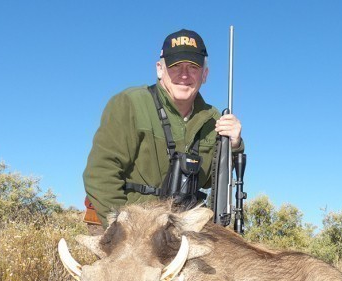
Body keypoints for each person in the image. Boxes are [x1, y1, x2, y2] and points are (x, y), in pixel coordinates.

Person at [83, 29, 244, 229]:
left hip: (178, 228)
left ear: (205, 74)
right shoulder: (129, 103)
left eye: (193, 67)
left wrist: (234, 144)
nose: (184, 75)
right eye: (175, 66)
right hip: (128, 224)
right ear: (160, 69)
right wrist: (123, 229)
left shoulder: (216, 120)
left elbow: (210, 182)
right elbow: (101, 173)